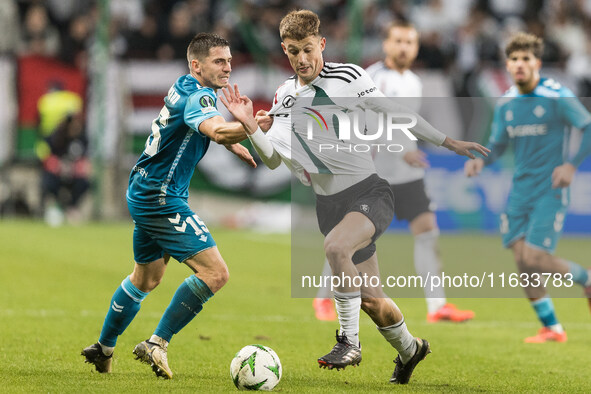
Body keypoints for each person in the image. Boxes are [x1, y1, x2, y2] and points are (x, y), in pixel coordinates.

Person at [221, 10, 488, 384]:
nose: (303, 59)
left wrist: (448, 141)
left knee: (335, 249)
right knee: (371, 300)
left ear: (322, 45)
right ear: (285, 49)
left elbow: (396, 113)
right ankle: (411, 349)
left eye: (309, 49)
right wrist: (250, 126)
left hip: (369, 193)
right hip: (328, 205)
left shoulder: (348, 78)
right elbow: (269, 160)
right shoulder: (283, 96)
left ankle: (348, 342)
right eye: (294, 51)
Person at [81, 33, 256, 378]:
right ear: (197, 65)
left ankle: (103, 348)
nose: (228, 67)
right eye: (220, 61)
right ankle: (156, 343)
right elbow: (215, 128)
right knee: (215, 273)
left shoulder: (182, 85)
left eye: (230, 60)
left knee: (146, 278)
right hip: (161, 197)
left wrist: (228, 140)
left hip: (143, 188)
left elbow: (201, 128)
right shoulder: (201, 95)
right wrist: (248, 127)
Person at [314, 21, 475, 323]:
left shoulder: (415, 80)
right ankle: (323, 297)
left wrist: (409, 149)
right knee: (348, 239)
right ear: (386, 44)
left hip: (407, 173)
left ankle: (437, 305)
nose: (404, 47)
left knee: (428, 231)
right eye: (398, 41)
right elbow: (368, 125)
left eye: (410, 42)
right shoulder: (371, 78)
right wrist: (402, 149)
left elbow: (406, 121)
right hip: (373, 173)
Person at [465, 32, 591, 343]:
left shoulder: (555, 95)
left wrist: (571, 165)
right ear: (508, 65)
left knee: (535, 258)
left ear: (537, 63)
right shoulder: (506, 103)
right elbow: (498, 144)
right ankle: (552, 328)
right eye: (514, 60)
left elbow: (587, 126)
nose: (519, 65)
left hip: (550, 188)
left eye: (526, 59)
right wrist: (482, 161)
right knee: (523, 263)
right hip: (519, 192)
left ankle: (586, 279)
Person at [39, 112, 90, 224]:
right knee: (48, 182)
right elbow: (45, 155)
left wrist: (76, 168)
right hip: (57, 173)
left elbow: (84, 161)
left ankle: (72, 207)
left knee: (84, 183)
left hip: (74, 175)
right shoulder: (56, 137)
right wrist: (57, 166)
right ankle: (58, 207)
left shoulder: (82, 138)